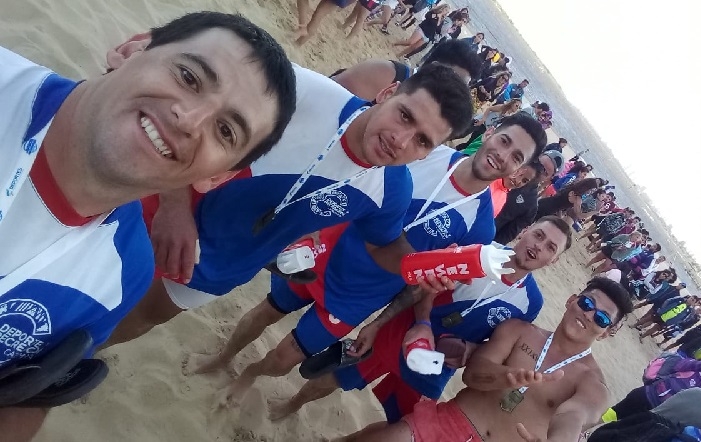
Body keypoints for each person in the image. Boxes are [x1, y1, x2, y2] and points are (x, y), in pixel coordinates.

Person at [0, 11, 297, 441]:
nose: (188, 120)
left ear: (216, 177)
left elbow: (29, 394)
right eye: (188, 77)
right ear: (130, 50)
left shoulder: (126, 272)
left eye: (225, 131)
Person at [182, 113, 547, 407]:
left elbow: (420, 287)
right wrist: (313, 227)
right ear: (492, 131)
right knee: (266, 311)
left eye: (517, 157)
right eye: (505, 141)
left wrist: (379, 322)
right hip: (326, 253)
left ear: (518, 171)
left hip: (359, 297)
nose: (504, 155)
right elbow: (359, 178)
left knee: (283, 359)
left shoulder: (480, 228)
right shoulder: (429, 154)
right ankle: (222, 357)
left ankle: (249, 375)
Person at [106, 64, 475, 346]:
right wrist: (174, 205)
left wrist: (421, 268)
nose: (401, 140)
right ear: (388, 93)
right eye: (405, 115)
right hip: (161, 207)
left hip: (223, 264)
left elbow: (382, 245)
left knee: (141, 318)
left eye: (422, 141)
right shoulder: (301, 91)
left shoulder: (392, 189)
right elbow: (187, 113)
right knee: (96, 281)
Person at [266, 217, 572, 422]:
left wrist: (471, 351)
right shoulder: (479, 252)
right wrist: (387, 324)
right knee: (335, 378)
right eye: (539, 235)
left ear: (554, 260)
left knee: (405, 421)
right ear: (525, 230)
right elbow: (420, 286)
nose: (538, 247)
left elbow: (499, 344)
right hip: (403, 329)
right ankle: (292, 404)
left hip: (439, 361)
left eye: (550, 247)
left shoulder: (531, 302)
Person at [338, 277, 633, 442]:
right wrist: (505, 376)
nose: (588, 315)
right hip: (449, 422)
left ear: (607, 333)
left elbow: (573, 417)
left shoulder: (592, 385)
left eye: (602, 318)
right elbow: (472, 374)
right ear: (572, 300)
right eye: (587, 303)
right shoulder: (519, 330)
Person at [330, 38, 483, 102]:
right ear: (434, 67)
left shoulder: (432, 110)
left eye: (463, 87)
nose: (457, 90)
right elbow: (328, 104)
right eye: (456, 80)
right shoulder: (384, 73)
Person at [494, 150, 565, 244]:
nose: (539, 171)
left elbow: (506, 235)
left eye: (544, 172)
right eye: (539, 164)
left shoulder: (530, 205)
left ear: (549, 178)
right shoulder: (505, 166)